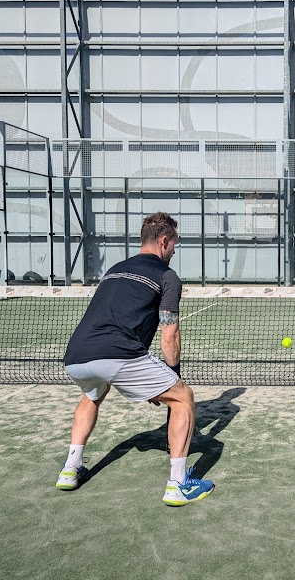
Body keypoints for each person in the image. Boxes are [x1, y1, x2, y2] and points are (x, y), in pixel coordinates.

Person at [56, 212, 214, 507]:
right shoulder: (168, 276)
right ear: (164, 241)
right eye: (175, 244)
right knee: (183, 397)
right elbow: (170, 335)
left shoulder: (116, 269)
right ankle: (179, 484)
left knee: (93, 395)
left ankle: (70, 468)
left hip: (76, 354)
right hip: (118, 353)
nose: (175, 251)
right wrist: (172, 377)